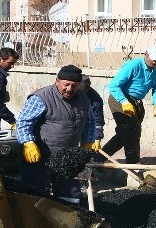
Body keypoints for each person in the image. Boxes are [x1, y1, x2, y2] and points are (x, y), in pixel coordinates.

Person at [15, 65, 98, 203]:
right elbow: (23, 122)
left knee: (70, 196)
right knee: (36, 195)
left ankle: (67, 221)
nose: (69, 89)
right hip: (40, 156)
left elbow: (89, 121)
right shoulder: (42, 97)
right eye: (66, 84)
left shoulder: (83, 98)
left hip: (68, 156)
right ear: (57, 81)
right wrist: (27, 142)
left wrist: (88, 141)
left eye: (74, 85)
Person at [99, 45, 156, 164]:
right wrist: (124, 102)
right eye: (152, 58)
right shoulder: (133, 65)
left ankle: (98, 159)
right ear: (145, 54)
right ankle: (133, 162)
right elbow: (114, 85)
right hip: (119, 98)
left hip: (137, 101)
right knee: (132, 130)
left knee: (124, 134)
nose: (154, 61)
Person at [79, 75, 105, 151]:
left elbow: (98, 120)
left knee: (86, 152)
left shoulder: (95, 99)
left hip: (86, 124)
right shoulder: (67, 92)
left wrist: (97, 139)